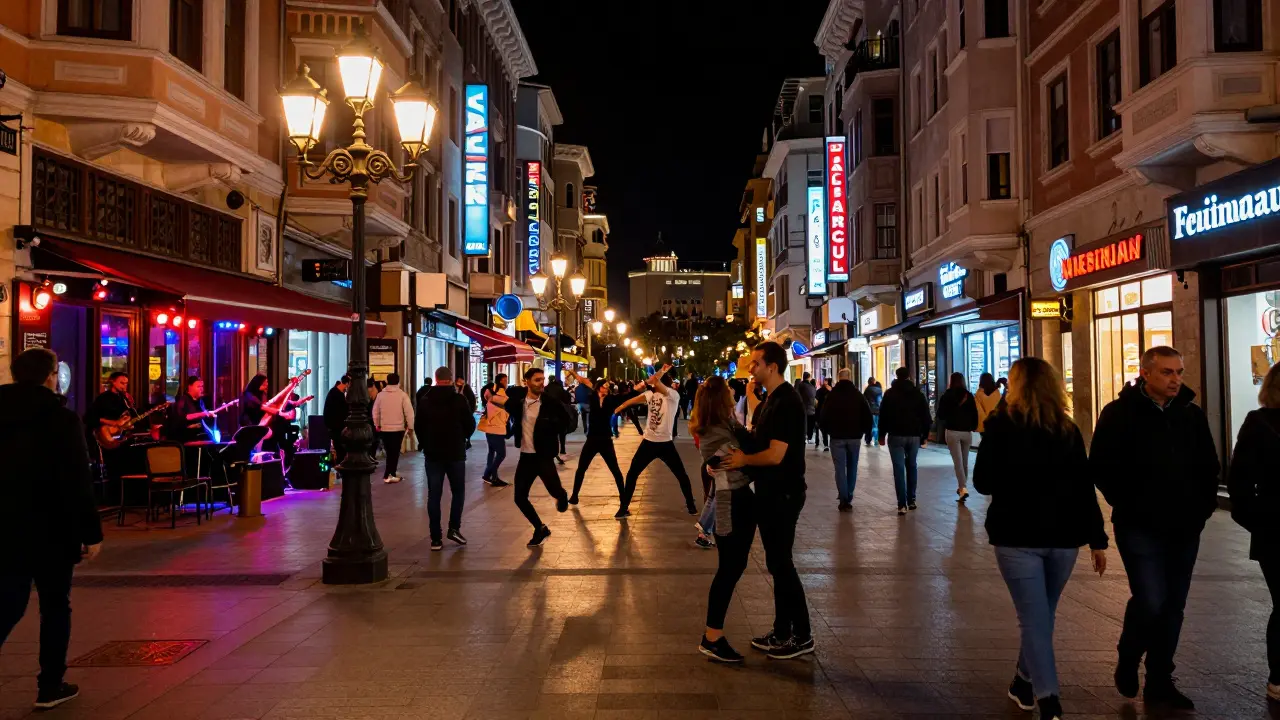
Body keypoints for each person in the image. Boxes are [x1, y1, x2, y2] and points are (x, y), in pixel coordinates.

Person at [973, 357, 1108, 720]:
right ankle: (1025, 683)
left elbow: (982, 481)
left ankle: (1046, 698)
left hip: (1017, 535)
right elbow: (1084, 487)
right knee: (1040, 615)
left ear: (1014, 387)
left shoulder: (1000, 425)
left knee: (1036, 618)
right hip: (1064, 538)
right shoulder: (1067, 429)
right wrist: (1097, 539)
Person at [1090, 346, 1219, 710]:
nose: (1176, 379)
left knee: (1173, 605)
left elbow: (1209, 466)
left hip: (1184, 526)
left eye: (1178, 371)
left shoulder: (1190, 415)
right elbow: (1099, 465)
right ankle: (1129, 656)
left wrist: (1202, 509)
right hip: (1138, 524)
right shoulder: (1119, 414)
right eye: (1166, 372)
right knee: (1150, 598)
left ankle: (1160, 677)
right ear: (1145, 374)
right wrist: (1127, 501)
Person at [0, 348, 103, 710]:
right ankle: (50, 684)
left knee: (7, 602)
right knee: (55, 605)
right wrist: (91, 532)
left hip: (5, 526)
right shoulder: (60, 419)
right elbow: (78, 479)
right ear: (49, 376)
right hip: (53, 528)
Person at [722, 341, 812, 660]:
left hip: (784, 493)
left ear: (772, 366)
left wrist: (744, 461)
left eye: (756, 363)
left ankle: (801, 635)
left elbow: (775, 455)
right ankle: (782, 630)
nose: (751, 368)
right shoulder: (770, 401)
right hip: (771, 492)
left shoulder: (787, 401)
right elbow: (757, 442)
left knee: (781, 564)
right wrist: (731, 425)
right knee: (778, 563)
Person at [692, 376, 756, 663]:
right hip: (732, 504)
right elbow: (743, 461)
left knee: (733, 566)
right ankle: (712, 636)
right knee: (729, 569)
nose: (734, 396)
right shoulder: (717, 433)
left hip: (737, 500)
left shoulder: (723, 426)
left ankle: (713, 635)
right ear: (721, 400)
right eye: (730, 393)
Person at [1227, 361, 1280, 702]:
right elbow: (1240, 482)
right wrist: (1260, 521)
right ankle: (1278, 676)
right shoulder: (1260, 423)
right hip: (1276, 531)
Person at [488, 368, 571, 546]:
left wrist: (552, 427)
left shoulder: (550, 402)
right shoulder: (519, 401)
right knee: (519, 497)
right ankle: (539, 528)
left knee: (554, 491)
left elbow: (567, 422)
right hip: (526, 457)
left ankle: (562, 495)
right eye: (537, 380)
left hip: (544, 456)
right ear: (527, 381)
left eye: (542, 380)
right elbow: (505, 403)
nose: (541, 383)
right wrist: (491, 397)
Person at [614, 364, 699, 518]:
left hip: (663, 444)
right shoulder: (651, 395)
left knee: (680, 474)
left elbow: (653, 381)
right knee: (634, 474)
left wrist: (659, 373)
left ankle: (691, 505)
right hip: (651, 442)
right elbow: (631, 401)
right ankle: (623, 508)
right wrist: (618, 408)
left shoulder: (673, 395)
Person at [414, 367, 475, 550]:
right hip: (455, 452)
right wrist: (462, 438)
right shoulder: (459, 399)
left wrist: (425, 443)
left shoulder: (425, 400)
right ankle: (454, 528)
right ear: (451, 380)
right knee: (458, 492)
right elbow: (470, 424)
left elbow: (419, 426)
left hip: (433, 454)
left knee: (434, 495)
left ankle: (435, 538)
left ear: (436, 379)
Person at [566, 369, 643, 505]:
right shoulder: (592, 397)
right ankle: (574, 496)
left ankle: (623, 497)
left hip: (605, 440)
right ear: (599, 387)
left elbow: (627, 396)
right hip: (592, 439)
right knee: (581, 468)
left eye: (608, 388)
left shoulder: (611, 400)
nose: (607, 389)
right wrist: (573, 372)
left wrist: (640, 387)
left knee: (615, 470)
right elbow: (583, 381)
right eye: (604, 387)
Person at [878, 367, 932, 515]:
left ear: (896, 376)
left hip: (895, 435)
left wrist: (881, 435)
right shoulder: (917, 394)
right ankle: (912, 499)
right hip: (914, 436)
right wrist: (924, 436)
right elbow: (926, 417)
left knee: (898, 468)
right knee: (912, 465)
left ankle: (902, 504)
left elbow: (883, 415)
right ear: (909, 376)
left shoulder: (889, 394)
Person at [820, 369, 873, 511]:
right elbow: (867, 416)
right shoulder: (858, 395)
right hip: (855, 437)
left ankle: (843, 498)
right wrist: (866, 432)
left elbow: (823, 416)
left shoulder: (832, 396)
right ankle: (848, 495)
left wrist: (827, 431)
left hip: (837, 437)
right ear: (850, 378)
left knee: (839, 468)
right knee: (852, 467)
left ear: (838, 378)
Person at [936, 372, 980, 503]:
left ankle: (963, 487)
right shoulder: (969, 395)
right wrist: (973, 426)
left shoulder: (946, 396)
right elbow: (974, 413)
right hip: (966, 433)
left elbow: (941, 415)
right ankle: (962, 488)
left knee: (958, 462)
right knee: (964, 461)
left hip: (952, 431)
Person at [371, 372, 414, 484]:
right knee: (395, 452)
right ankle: (390, 474)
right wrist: (410, 426)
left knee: (389, 451)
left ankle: (390, 472)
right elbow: (409, 412)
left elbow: (375, 411)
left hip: (384, 428)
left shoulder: (381, 395)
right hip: (398, 429)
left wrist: (377, 424)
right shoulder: (402, 395)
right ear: (398, 381)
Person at [478, 374, 510, 487]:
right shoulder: (501, 393)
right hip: (496, 428)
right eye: (505, 380)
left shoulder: (490, 392)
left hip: (490, 427)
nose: (506, 382)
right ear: (501, 381)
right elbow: (504, 402)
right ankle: (489, 475)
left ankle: (493, 477)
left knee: (492, 452)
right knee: (501, 454)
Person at [167, 376, 216, 443]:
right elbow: (183, 417)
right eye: (198, 387)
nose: (201, 389)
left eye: (202, 386)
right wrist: (203, 414)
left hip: (200, 435)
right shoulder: (183, 400)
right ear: (190, 387)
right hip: (186, 438)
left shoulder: (201, 401)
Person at [323, 375, 351, 464]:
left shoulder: (334, 392)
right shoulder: (337, 394)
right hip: (336, 427)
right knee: (340, 449)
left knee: (339, 448)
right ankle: (340, 467)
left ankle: (340, 466)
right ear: (347, 384)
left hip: (334, 426)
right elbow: (342, 411)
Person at [545, 377, 573, 464]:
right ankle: (562, 450)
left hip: (548, 415)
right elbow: (567, 400)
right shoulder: (561, 389)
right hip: (560, 415)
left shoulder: (546, 389)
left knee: (551, 434)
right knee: (562, 433)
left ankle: (551, 451)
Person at [453, 376, 476, 450]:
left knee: (464, 425)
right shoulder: (454, 388)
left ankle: (467, 441)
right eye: (458, 382)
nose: (459, 383)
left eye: (461, 382)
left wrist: (471, 411)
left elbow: (472, 400)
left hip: (465, 411)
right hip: (459, 412)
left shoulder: (466, 389)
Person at [797, 371, 818, 445]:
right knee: (810, 424)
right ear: (809, 377)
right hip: (810, 410)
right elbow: (813, 397)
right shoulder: (811, 387)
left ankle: (804, 437)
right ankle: (809, 437)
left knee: (802, 424)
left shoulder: (799, 385)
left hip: (801, 409)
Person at [863, 378, 883, 446]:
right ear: (874, 382)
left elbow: (864, 401)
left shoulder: (867, 390)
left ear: (868, 383)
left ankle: (868, 440)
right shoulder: (879, 390)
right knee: (876, 425)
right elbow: (880, 401)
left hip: (869, 411)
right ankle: (876, 439)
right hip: (877, 410)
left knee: (869, 425)